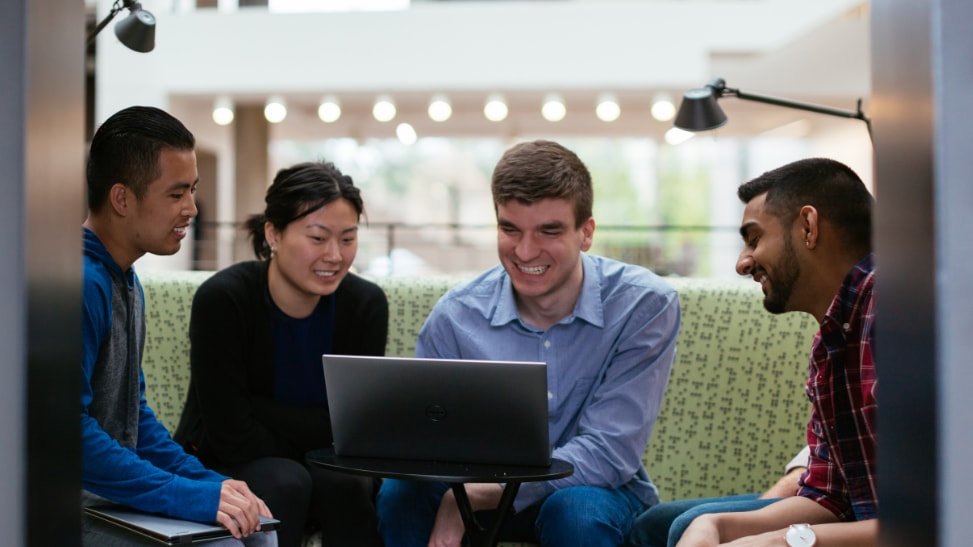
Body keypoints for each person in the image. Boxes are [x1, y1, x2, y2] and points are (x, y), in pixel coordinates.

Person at [376, 139, 682, 547]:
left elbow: (610, 452)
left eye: (549, 231)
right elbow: (429, 441)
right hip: (472, 485)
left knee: (577, 513)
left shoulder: (643, 306)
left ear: (585, 232)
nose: (525, 251)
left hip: (592, 491)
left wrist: (475, 497)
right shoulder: (456, 316)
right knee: (401, 493)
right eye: (510, 229)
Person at [81, 105, 275, 546]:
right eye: (176, 194)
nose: (191, 208)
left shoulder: (126, 281)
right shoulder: (81, 284)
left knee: (257, 529)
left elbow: (135, 420)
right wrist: (188, 496)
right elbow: (67, 438)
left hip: (107, 497)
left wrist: (214, 485)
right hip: (68, 505)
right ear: (122, 198)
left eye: (193, 191)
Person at [174, 161, 389, 547]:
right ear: (273, 233)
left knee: (346, 483)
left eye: (347, 238)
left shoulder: (364, 305)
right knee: (286, 481)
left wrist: (259, 409)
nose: (335, 256)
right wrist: (319, 433)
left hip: (325, 467)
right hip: (227, 461)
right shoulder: (224, 300)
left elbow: (356, 431)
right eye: (318, 238)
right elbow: (230, 435)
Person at [676, 157, 877, 546]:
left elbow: (938, 520)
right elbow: (830, 495)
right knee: (690, 523)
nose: (742, 263)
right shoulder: (831, 341)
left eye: (754, 239)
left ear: (808, 226)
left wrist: (782, 542)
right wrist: (717, 526)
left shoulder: (902, 318)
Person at [627, 446, 810, 547]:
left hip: (830, 504)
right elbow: (822, 465)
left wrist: (776, 538)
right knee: (655, 522)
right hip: (817, 488)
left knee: (685, 524)